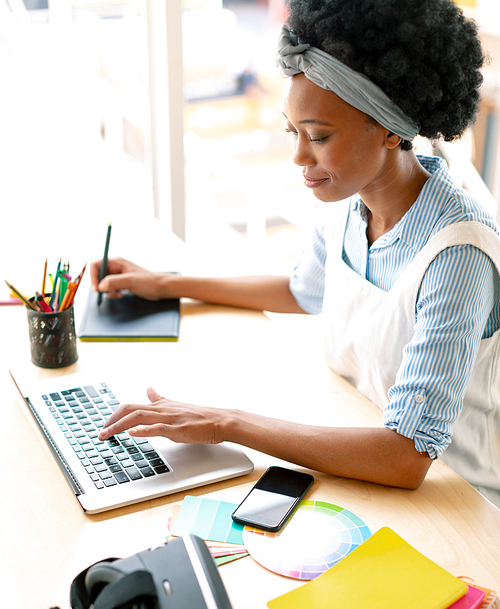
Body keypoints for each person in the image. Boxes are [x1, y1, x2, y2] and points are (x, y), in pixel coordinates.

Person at [91, 0, 500, 506]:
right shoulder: (347, 202)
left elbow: (405, 456)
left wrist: (225, 423)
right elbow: (300, 289)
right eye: (292, 131)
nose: (299, 157)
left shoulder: (458, 254)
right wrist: (166, 283)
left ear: (392, 128)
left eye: (319, 137)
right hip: (358, 467)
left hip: (457, 509)